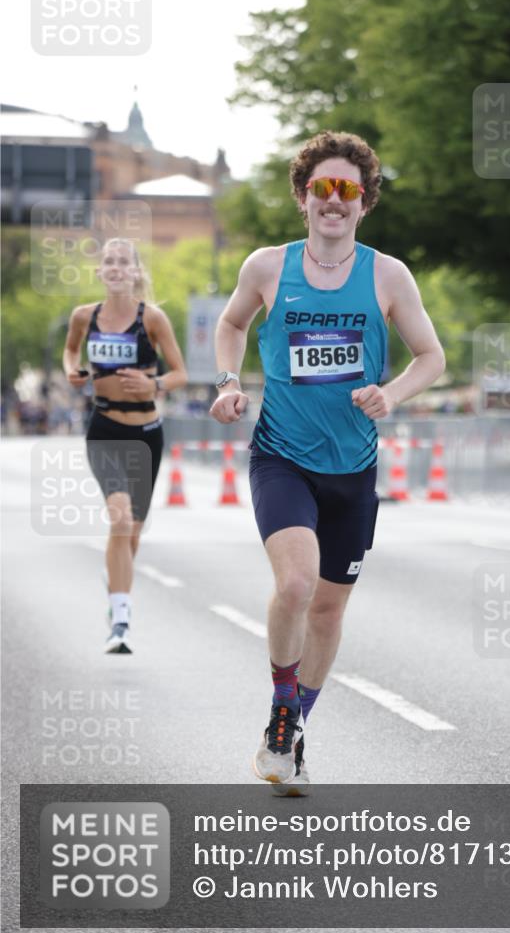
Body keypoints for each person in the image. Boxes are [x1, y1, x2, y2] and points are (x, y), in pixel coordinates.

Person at [210, 131, 445, 794]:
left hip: (353, 469)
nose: (334, 201)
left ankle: (290, 732)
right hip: (282, 457)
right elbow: (230, 325)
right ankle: (284, 710)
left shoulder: (387, 275)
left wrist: (389, 393)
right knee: (295, 586)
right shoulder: (265, 267)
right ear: (303, 197)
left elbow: (431, 357)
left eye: (348, 190)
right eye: (323, 189)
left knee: (328, 612)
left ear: (363, 203)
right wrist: (227, 384)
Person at [63, 238, 187, 653]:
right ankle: (121, 619)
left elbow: (180, 374)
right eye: (108, 262)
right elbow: (69, 351)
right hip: (105, 429)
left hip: (146, 434)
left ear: (135, 272)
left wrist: (153, 383)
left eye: (124, 262)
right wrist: (74, 371)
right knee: (119, 518)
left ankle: (116, 578)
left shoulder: (152, 319)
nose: (116, 268)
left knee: (131, 532)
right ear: (100, 272)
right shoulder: (85, 316)